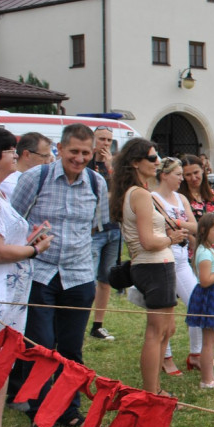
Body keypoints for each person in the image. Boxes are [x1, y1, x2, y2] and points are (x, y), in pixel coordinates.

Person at [11, 123, 109, 427]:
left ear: (92, 152)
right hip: (39, 274)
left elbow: (97, 226)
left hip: (79, 277)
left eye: (85, 153)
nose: (79, 158)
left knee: (71, 348)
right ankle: (41, 415)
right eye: (73, 152)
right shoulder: (34, 178)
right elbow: (13, 220)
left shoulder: (96, 184)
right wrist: (31, 240)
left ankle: (69, 410)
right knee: (40, 348)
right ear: (60, 149)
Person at [0, 126, 52, 427]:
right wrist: (32, 250)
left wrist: (30, 239)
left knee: (0, 363)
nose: (16, 154)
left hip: (10, 296)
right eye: (11, 150)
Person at [109, 138, 188, 395]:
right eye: (152, 158)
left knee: (167, 330)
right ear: (135, 163)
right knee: (156, 333)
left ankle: (154, 388)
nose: (157, 162)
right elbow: (148, 242)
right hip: (154, 265)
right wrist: (171, 238)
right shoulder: (140, 194)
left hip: (156, 265)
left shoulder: (135, 191)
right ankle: (152, 391)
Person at [151, 157, 198, 377]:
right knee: (164, 312)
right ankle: (165, 357)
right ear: (164, 175)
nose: (182, 178)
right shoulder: (152, 197)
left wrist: (176, 224)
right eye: (178, 174)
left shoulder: (181, 198)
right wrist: (178, 228)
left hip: (181, 257)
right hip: (162, 258)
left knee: (198, 304)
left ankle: (196, 355)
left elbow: (194, 226)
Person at [178, 154, 214, 370]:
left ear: (203, 171)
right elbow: (180, 226)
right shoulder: (180, 197)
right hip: (188, 255)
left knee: (204, 304)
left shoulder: (213, 195)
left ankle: (197, 353)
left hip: (212, 255)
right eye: (187, 175)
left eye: (196, 173)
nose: (193, 178)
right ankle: (196, 352)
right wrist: (195, 237)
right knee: (195, 303)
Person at [185, 212, 214, 390]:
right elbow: (205, 281)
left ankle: (211, 377)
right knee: (208, 342)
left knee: (211, 341)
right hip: (210, 294)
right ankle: (207, 380)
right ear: (205, 230)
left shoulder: (210, 250)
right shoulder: (205, 253)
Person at [85, 126, 121, 342]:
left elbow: (121, 190)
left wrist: (110, 167)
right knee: (87, 279)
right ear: (93, 140)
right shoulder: (86, 163)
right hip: (92, 230)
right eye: (101, 139)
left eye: (109, 140)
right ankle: (79, 319)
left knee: (105, 278)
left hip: (114, 228)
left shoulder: (113, 166)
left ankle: (98, 325)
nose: (105, 144)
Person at [0, 132, 51, 198]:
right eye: (44, 156)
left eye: (49, 156)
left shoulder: (40, 179)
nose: (48, 161)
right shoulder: (9, 183)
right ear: (27, 154)